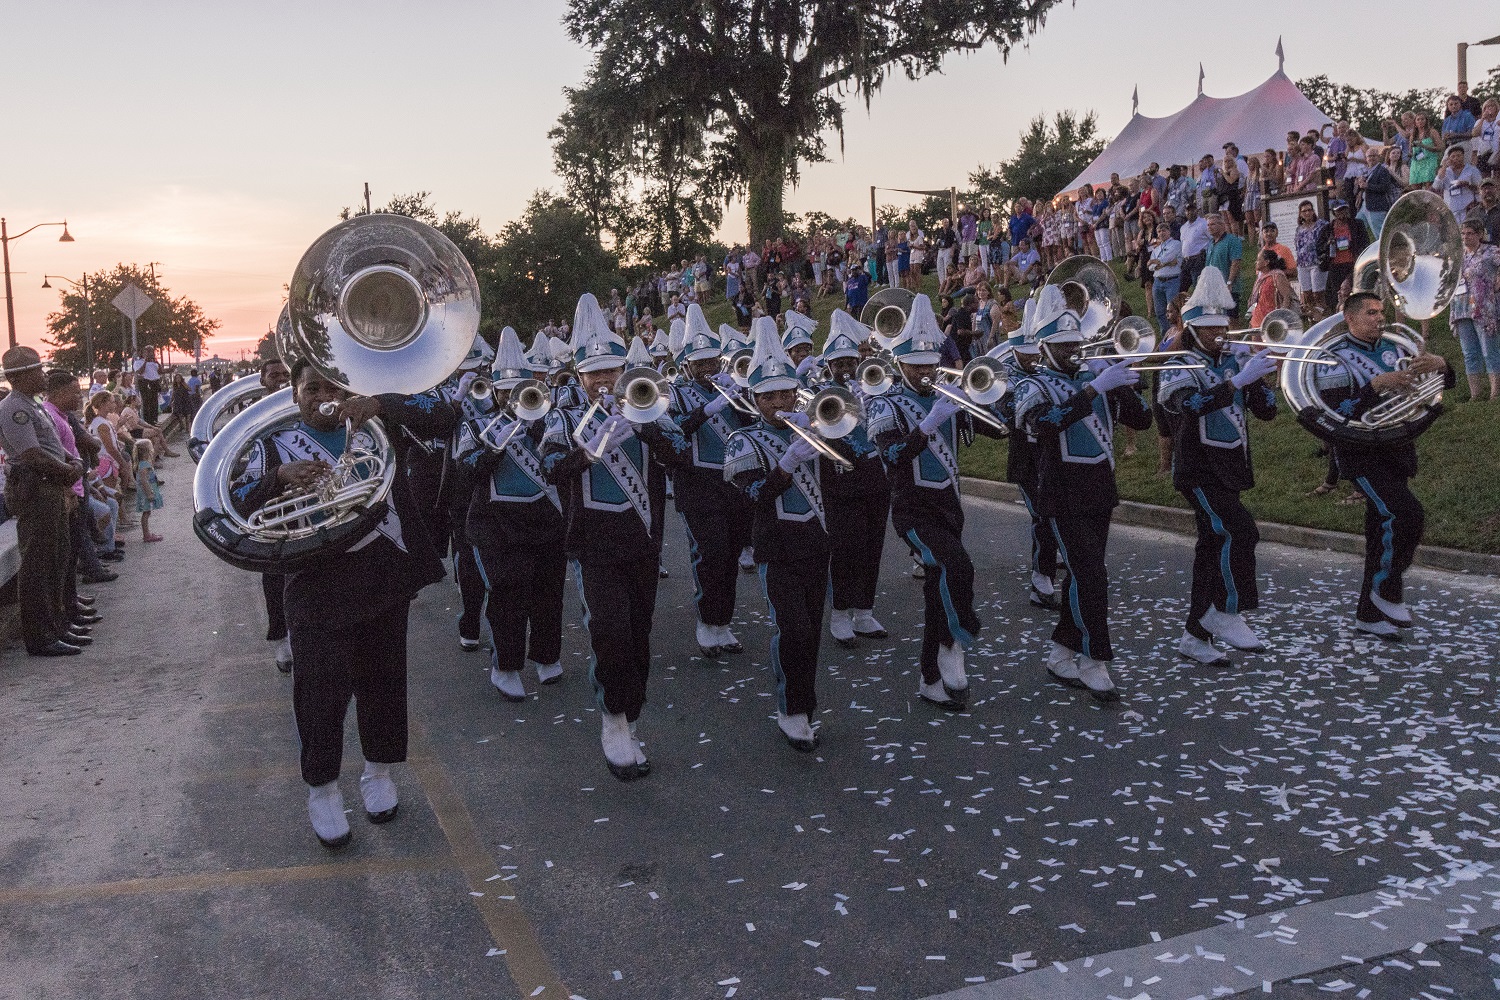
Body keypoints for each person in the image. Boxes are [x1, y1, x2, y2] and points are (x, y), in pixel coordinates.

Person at [229, 356, 459, 847]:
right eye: (312, 388)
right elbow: (235, 500)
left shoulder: (377, 426)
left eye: (333, 387)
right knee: (319, 691)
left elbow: (444, 414)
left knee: (384, 680)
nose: (323, 397)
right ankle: (323, 789)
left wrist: (382, 403)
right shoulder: (271, 443)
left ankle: (378, 772)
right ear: (294, 394)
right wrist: (279, 477)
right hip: (314, 584)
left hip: (382, 573)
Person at [541, 294, 692, 781]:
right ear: (579, 377)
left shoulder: (649, 409)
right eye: (594, 373)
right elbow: (550, 468)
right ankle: (613, 720)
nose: (603, 380)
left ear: (624, 371)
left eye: (611, 370)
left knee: (638, 634)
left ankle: (631, 716)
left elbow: (680, 456)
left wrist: (643, 427)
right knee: (609, 633)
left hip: (642, 543)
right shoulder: (564, 419)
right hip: (593, 547)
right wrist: (588, 451)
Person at [1013, 287, 1152, 702]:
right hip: (1061, 494)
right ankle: (1094, 659)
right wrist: (1093, 390)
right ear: (1044, 346)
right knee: (1092, 576)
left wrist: (1117, 380)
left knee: (1082, 576)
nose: (1072, 349)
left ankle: (1061, 653)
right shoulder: (1033, 384)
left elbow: (1143, 420)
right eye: (1062, 344)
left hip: (1100, 490)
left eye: (1075, 341)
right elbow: (1042, 425)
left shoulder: (1096, 376)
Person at [866, 295, 1005, 710]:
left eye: (929, 363)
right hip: (912, 509)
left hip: (949, 507)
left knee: (936, 589)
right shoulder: (885, 403)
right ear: (899, 364)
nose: (924, 371)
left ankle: (930, 678)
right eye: (915, 365)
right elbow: (892, 456)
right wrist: (927, 425)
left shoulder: (948, 395)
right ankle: (954, 642)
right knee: (957, 566)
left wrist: (988, 396)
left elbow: (999, 430)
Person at [1314, 292, 1455, 639]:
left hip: (1397, 448)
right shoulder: (1333, 356)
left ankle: (1368, 614)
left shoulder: (1396, 347)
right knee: (1407, 514)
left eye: (1381, 311)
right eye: (1371, 312)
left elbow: (1442, 384)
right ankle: (1387, 591)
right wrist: (1375, 385)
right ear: (1349, 318)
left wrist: (1442, 365)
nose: (1380, 318)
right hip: (1360, 454)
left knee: (1380, 535)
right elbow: (1334, 410)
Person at [1156, 270, 1280, 666]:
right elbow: (1188, 406)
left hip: (1230, 465)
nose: (1219, 333)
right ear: (1192, 328)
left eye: (1222, 326)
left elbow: (1267, 412)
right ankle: (1227, 611)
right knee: (1240, 531)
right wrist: (1237, 382)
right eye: (1209, 327)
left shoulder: (1233, 359)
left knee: (1211, 552)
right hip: (1197, 467)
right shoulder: (1179, 362)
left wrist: (1259, 377)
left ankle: (1195, 636)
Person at [722, 317, 831, 751]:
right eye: (769, 396)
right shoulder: (742, 440)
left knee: (812, 632)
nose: (779, 402)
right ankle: (791, 710)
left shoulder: (815, 429)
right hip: (776, 548)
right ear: (755, 400)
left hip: (816, 544)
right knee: (794, 630)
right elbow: (754, 496)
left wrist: (830, 428)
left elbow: (856, 465)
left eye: (786, 393)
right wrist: (786, 464)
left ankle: (805, 707)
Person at [458, 327, 567, 702]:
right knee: (508, 597)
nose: (510, 398)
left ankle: (547, 656)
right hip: (497, 528)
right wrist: (495, 447)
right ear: (494, 392)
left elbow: (560, 465)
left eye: (518, 390)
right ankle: (505, 666)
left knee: (549, 594)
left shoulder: (549, 422)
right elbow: (466, 473)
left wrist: (535, 430)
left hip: (546, 521)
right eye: (504, 391)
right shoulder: (476, 426)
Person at [666, 305, 755, 655]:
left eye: (712, 362)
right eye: (700, 363)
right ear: (687, 366)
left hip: (732, 484)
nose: (707, 369)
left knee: (730, 556)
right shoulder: (675, 394)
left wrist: (741, 394)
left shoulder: (731, 388)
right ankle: (706, 621)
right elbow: (673, 431)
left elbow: (753, 426)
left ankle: (723, 623)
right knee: (709, 554)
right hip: (697, 487)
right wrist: (707, 409)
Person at [0, 348, 90, 656]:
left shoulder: (32, 404)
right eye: (38, 371)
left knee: (57, 557)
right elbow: (32, 455)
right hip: (36, 489)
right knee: (38, 563)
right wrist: (69, 471)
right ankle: (40, 636)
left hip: (49, 487)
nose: (43, 376)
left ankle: (57, 624)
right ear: (22, 376)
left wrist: (72, 461)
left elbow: (51, 445)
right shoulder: (15, 408)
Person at [816, 311, 890, 645]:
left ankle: (864, 611)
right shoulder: (820, 395)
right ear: (829, 365)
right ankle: (840, 613)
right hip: (839, 480)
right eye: (839, 363)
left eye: (850, 361)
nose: (846, 368)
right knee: (845, 548)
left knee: (872, 546)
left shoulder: (872, 388)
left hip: (875, 478)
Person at [994, 306, 1058, 609]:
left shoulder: (1046, 373)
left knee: (1051, 515)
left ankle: (1047, 564)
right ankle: (1040, 580)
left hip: (1051, 457)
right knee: (1042, 515)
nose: (1034, 358)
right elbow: (1008, 416)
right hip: (1025, 459)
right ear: (1015, 351)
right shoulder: (1005, 380)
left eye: (1036, 353)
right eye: (1027, 353)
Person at [254, 357, 294, 672]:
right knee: (275, 574)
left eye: (285, 374)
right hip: (272, 500)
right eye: (273, 375)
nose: (280, 378)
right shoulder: (253, 415)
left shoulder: (303, 405)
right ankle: (281, 640)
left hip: (309, 496)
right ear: (263, 380)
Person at [1453, 218, 1500, 401]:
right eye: (1463, 233)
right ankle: (1476, 394)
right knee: (1469, 352)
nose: (1466, 237)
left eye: (1470, 233)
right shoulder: (1458, 254)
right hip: (1461, 307)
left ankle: (1495, 392)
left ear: (1480, 234)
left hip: (1483, 308)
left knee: (1489, 350)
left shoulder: (1490, 251)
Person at [1316, 200, 1370, 313]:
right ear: (1334, 212)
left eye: (1344, 210)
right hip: (1336, 265)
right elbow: (1319, 248)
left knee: (1355, 291)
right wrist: (1329, 244)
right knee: (1337, 295)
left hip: (1353, 264)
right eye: (1339, 211)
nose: (1342, 213)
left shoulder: (1357, 224)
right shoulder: (1327, 229)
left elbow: (1365, 242)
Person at [1202, 212, 1243, 316]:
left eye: (1213, 224)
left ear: (1222, 225)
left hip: (1228, 288)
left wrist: (1229, 282)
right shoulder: (1211, 243)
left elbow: (1236, 263)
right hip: (1213, 289)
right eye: (1208, 225)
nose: (1209, 227)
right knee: (1215, 319)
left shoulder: (1232, 240)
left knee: (1231, 319)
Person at [1293, 200, 1329, 318]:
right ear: (1300, 214)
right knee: (1307, 294)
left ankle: (1323, 316)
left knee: (1318, 294)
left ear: (1313, 211)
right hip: (1302, 264)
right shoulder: (1299, 229)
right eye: (1304, 211)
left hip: (1316, 262)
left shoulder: (1321, 225)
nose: (1307, 213)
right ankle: (1313, 317)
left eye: (1309, 210)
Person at [1432, 144, 1483, 221]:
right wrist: (1444, 166)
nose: (1456, 158)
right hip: (1450, 210)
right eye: (1453, 156)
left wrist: (1467, 185)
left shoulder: (1472, 170)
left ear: (1463, 156)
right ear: (1449, 158)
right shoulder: (1445, 171)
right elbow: (1436, 186)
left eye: (1459, 156)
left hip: (1468, 209)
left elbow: (1480, 188)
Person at [1249, 250, 1296, 330]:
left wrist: (1280, 317)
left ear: (1266, 262)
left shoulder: (1277, 276)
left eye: (1258, 260)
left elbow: (1287, 297)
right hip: (1257, 321)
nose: (1256, 262)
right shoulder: (1260, 278)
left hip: (1272, 321)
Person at [1147, 223, 1183, 331]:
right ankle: (1165, 334)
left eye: (1164, 230)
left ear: (1169, 232)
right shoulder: (1156, 249)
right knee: (1160, 312)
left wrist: (1159, 262)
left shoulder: (1176, 244)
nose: (1161, 233)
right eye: (1159, 231)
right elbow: (1150, 266)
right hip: (1157, 281)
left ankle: (1175, 333)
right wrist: (1163, 263)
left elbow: (1168, 257)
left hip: (1171, 281)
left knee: (1173, 311)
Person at [133, 437, 164, 542]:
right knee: (146, 513)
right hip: (145, 492)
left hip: (145, 490)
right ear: (147, 451)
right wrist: (149, 493)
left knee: (147, 512)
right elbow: (144, 481)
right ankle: (146, 535)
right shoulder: (144, 465)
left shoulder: (142, 463)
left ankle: (147, 533)